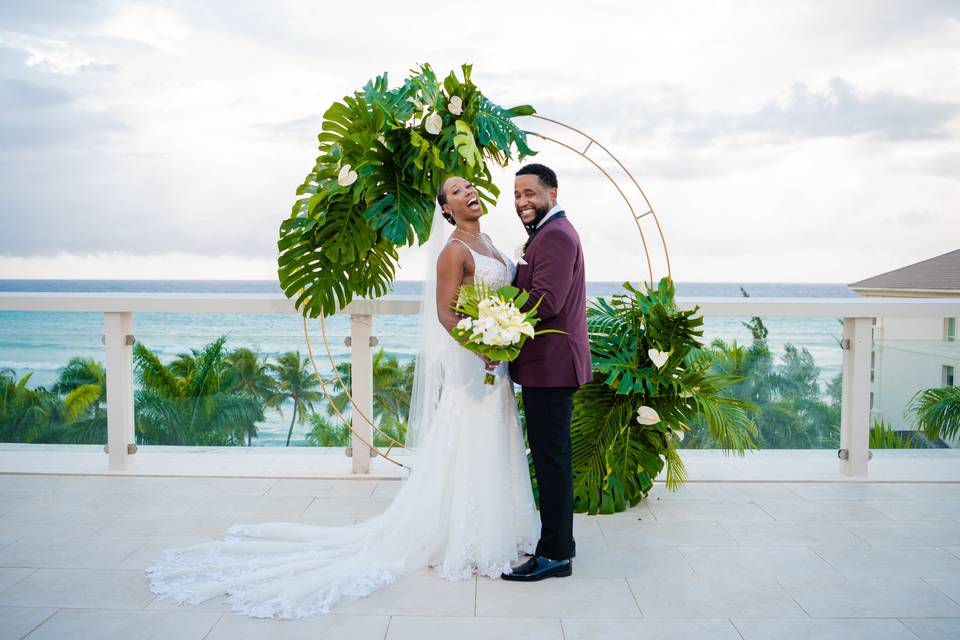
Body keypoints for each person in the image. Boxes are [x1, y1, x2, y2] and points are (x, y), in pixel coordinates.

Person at [146, 176, 538, 618]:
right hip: (472, 358)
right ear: (446, 210)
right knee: (467, 436)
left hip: (495, 358)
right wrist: (481, 345)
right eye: (454, 191)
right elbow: (445, 313)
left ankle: (498, 526)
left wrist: (503, 333)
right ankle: (466, 536)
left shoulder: (488, 239)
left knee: (494, 435)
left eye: (468, 185)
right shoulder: (453, 251)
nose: (467, 191)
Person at [502, 163, 591, 582]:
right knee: (551, 458)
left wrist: (496, 318)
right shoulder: (548, 233)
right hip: (548, 366)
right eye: (517, 194)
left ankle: (555, 554)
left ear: (552, 193)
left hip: (552, 367)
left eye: (530, 193)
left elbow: (545, 301)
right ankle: (561, 545)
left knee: (551, 461)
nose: (522, 201)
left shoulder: (555, 235)